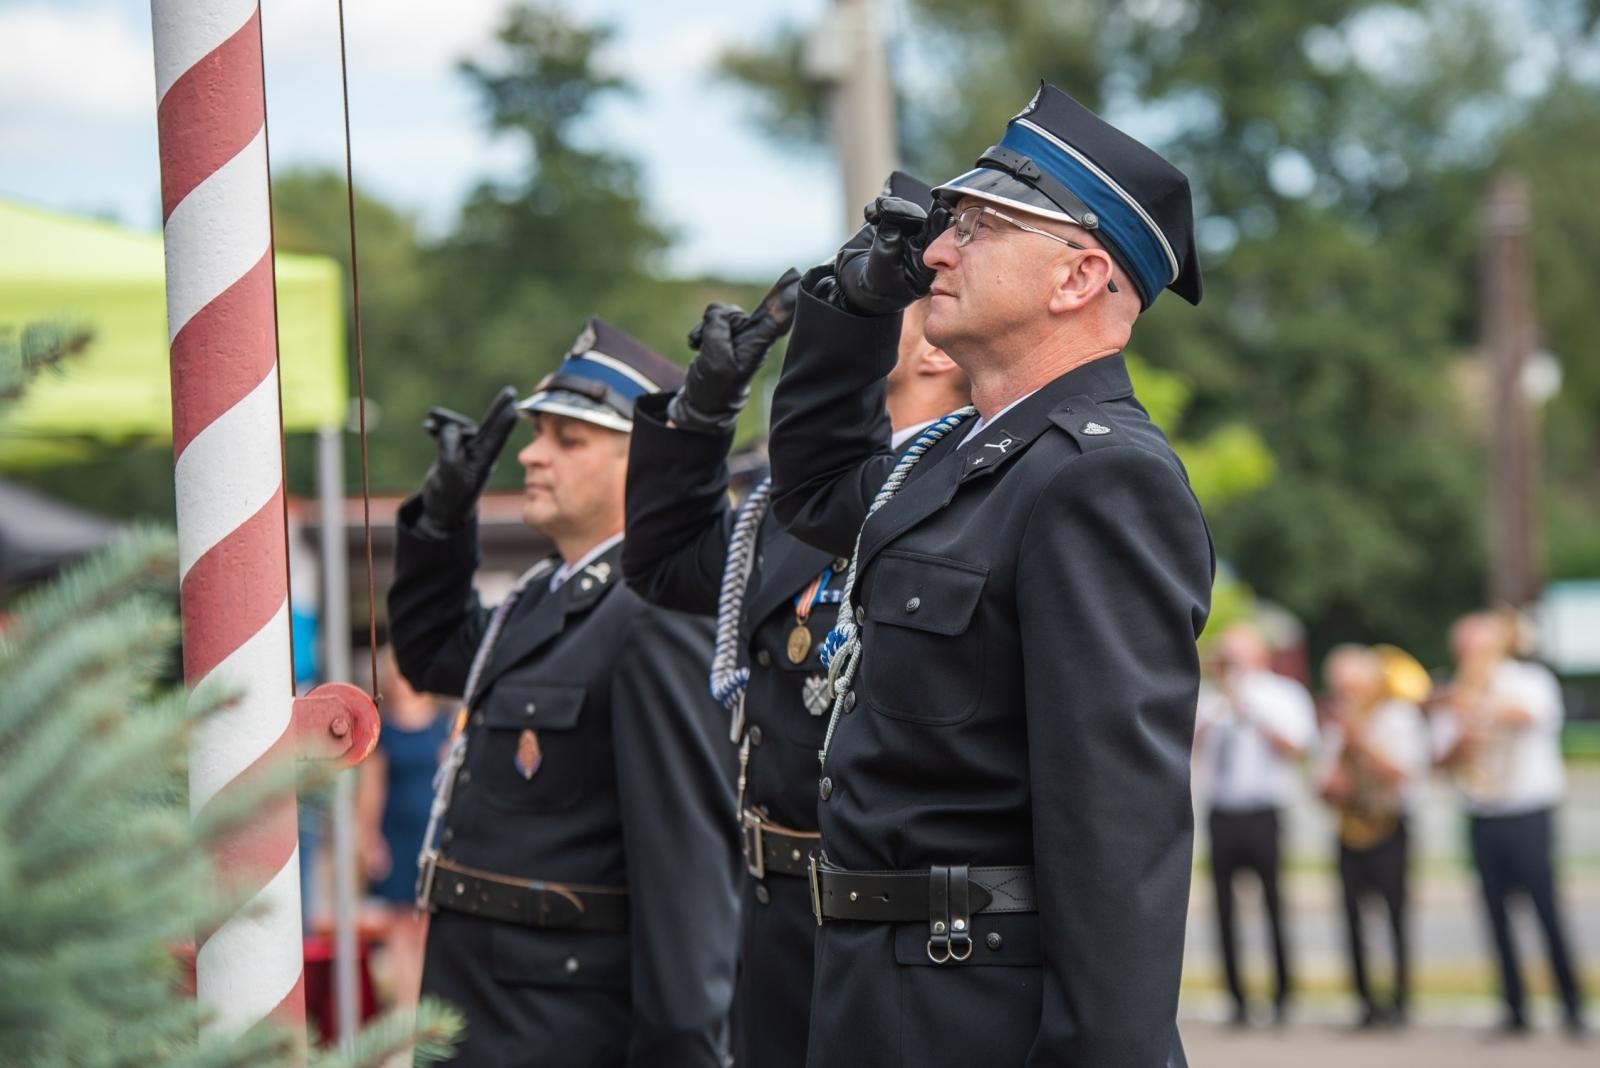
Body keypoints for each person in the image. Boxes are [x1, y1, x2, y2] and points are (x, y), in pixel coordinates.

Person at [765, 82, 1215, 1066]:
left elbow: (1115, 836)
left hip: (979, 1006)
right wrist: (849, 310)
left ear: (1075, 277)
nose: (934, 249)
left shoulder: (1101, 478)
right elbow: (811, 494)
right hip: (873, 992)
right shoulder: (949, 458)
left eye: (978, 227)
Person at [623, 172, 972, 1068]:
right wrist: (702, 417)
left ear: (935, 350)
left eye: (891, 298)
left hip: (900, 927)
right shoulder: (786, 505)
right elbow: (662, 567)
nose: (849, 317)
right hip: (776, 908)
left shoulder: (970, 491)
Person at [387, 320, 739, 1067]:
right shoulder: (542, 594)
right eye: (539, 432)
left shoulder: (659, 614)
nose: (531, 455)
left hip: (571, 1032)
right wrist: (444, 526)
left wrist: (685, 1049)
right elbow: (432, 655)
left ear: (645, 463)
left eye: (568, 440)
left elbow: (689, 886)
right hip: (484, 1013)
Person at [1433, 611, 1587, 1036]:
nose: (1468, 653)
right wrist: (1462, 737)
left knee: (1546, 911)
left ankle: (1571, 1006)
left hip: (1529, 812)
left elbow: (1531, 716)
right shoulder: (1457, 691)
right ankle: (1514, 1007)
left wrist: (1481, 703)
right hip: (1483, 813)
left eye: (1476, 645)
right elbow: (1440, 760)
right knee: (1495, 917)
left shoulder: (1529, 679)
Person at [1194, 622, 1316, 1026]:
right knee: (1225, 910)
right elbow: (1189, 748)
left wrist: (1250, 710)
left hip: (1265, 810)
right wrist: (1219, 709)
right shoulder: (1209, 700)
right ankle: (1237, 999)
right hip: (1223, 811)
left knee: (1274, 904)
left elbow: (1297, 747)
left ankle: (1282, 997)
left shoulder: (1282, 694)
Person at [1317, 644, 1430, 1028]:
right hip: (1350, 828)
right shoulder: (1339, 723)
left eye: (1351, 686)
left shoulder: (1398, 716)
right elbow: (1324, 788)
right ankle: (1365, 1002)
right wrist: (1337, 774)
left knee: (1396, 915)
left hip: (1390, 825)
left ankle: (1400, 1001)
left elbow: (1403, 773)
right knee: (1351, 918)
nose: (1345, 695)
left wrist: (1361, 739)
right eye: (1339, 687)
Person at [356, 647, 452, 1013]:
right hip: (397, 835)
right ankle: (408, 1008)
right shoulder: (385, 730)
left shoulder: (443, 723)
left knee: (428, 925)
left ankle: (429, 1004)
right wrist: (368, 838)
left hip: (434, 837)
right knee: (399, 927)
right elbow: (371, 789)